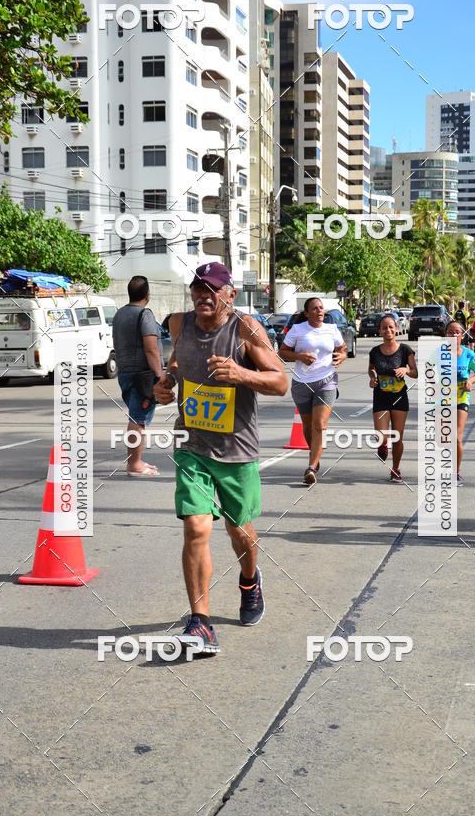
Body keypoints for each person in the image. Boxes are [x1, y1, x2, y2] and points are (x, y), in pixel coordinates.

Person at [152, 262, 288, 654]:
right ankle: (201, 623)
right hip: (192, 446)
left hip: (237, 450)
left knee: (239, 531)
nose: (202, 296)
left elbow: (281, 381)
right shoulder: (179, 324)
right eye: (197, 288)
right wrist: (165, 384)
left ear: (229, 294)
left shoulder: (245, 329)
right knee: (196, 527)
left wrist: (241, 375)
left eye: (211, 289)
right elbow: (175, 365)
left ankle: (249, 580)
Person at [278, 297, 347, 484]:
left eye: (321, 308)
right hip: (302, 383)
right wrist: (299, 356)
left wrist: (342, 356)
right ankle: (315, 456)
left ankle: (311, 467)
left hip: (327, 381)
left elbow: (342, 347)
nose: (319, 311)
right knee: (308, 428)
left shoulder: (331, 329)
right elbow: (282, 352)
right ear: (307, 313)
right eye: (315, 309)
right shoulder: (297, 330)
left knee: (320, 425)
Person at [112, 275, 163, 476]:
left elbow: (116, 343)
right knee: (138, 419)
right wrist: (159, 376)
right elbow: (151, 349)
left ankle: (137, 461)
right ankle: (134, 464)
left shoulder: (119, 315)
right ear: (148, 295)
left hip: (124, 372)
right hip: (142, 375)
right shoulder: (145, 315)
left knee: (136, 417)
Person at [368, 313, 417, 483]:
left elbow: (415, 372)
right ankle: (382, 445)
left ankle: (395, 469)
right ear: (380, 331)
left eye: (391, 327)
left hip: (399, 397)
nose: (388, 330)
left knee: (397, 436)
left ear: (396, 329)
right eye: (384, 327)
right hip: (380, 396)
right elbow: (371, 369)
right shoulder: (374, 351)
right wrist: (372, 378)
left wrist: (406, 371)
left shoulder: (405, 350)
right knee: (381, 435)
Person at [445, 321, 475, 485]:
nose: (454, 335)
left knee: (457, 438)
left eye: (457, 332)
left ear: (462, 335)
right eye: (450, 332)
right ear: (445, 335)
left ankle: (456, 472)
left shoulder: (469, 355)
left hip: (461, 398)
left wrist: (471, 381)